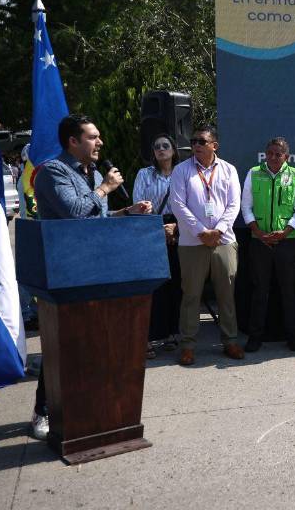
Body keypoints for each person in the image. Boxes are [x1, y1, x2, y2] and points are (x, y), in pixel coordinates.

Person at [30, 114, 152, 440]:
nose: (100, 143)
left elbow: (97, 218)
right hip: (63, 270)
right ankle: (44, 410)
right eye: (92, 137)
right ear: (73, 141)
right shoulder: (53, 172)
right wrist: (105, 188)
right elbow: (73, 213)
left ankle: (90, 408)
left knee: (95, 341)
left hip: (98, 267)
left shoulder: (94, 173)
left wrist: (127, 212)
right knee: (62, 343)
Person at [169, 125, 244, 366]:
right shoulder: (181, 170)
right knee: (191, 295)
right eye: (193, 141)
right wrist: (201, 232)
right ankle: (188, 345)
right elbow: (178, 205)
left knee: (226, 295)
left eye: (201, 141)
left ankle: (230, 341)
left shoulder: (229, 170)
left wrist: (218, 230)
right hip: (192, 242)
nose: (196, 145)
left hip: (224, 240)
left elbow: (234, 204)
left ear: (214, 145)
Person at [240, 137, 295, 352]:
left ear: (286, 156)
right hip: (260, 241)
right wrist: (259, 233)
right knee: (260, 291)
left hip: (287, 241)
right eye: (270, 153)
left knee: (288, 291)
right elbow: (246, 206)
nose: (273, 157)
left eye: (278, 154)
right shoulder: (253, 173)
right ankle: (255, 337)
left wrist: (285, 231)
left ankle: (294, 337)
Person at [133, 133, 182, 359]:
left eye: (165, 145)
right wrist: (158, 229)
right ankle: (151, 336)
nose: (161, 149)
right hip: (152, 229)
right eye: (156, 147)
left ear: (173, 150)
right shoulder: (144, 174)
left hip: (180, 229)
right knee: (155, 285)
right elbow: (138, 204)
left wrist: (176, 228)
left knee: (176, 283)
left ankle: (173, 333)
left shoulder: (183, 173)